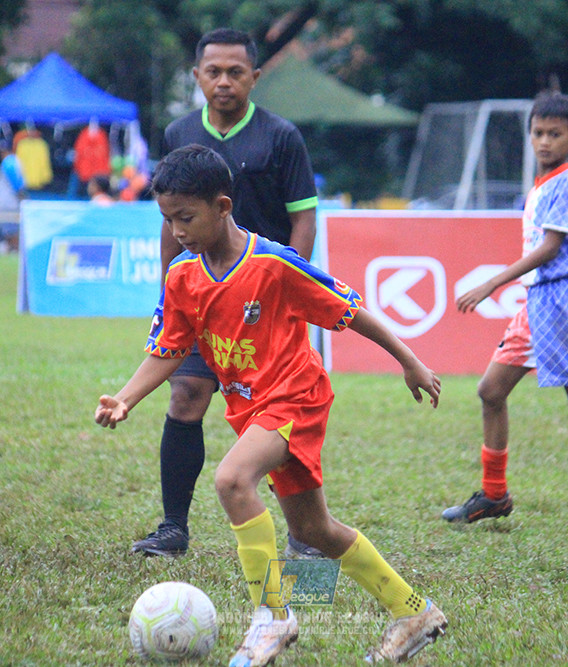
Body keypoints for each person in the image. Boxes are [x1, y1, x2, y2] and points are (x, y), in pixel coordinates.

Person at [95, 145, 447, 666]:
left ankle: (272, 616)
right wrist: (125, 398)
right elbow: (168, 350)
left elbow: (351, 311)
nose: (178, 231)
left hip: (296, 397)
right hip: (251, 410)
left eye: (186, 217)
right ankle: (414, 611)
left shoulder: (276, 265)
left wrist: (409, 360)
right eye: (168, 220)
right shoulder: (182, 278)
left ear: (223, 205)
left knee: (232, 480)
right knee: (313, 531)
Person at [131, 27, 319, 558]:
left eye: (236, 72)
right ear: (196, 77)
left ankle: (307, 536)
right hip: (201, 302)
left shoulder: (281, 137)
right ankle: (173, 528)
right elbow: (171, 220)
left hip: (265, 308)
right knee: (186, 396)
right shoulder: (179, 133)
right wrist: (170, 291)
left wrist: (295, 286)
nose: (224, 81)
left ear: (255, 77)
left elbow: (303, 218)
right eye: (213, 71)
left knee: (278, 423)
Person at [442, 92, 568, 533]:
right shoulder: (542, 183)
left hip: (558, 300)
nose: (544, 141)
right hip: (538, 302)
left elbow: (550, 248)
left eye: (555, 134)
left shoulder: (567, 183)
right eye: (538, 133)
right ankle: (494, 496)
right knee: (491, 391)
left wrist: (492, 282)